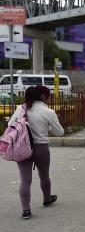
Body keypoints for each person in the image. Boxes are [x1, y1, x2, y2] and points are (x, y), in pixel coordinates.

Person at [8, 86, 64, 219]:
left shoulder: (20, 109)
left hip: (22, 146)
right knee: (44, 176)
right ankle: (47, 199)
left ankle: (26, 210)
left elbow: (11, 124)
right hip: (41, 148)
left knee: (25, 180)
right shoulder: (48, 112)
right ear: (43, 97)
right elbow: (59, 132)